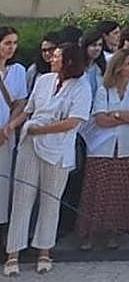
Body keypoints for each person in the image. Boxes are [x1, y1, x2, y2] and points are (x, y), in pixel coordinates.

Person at [3, 43, 91, 276]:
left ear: (69, 61)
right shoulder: (43, 80)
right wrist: (11, 126)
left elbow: (74, 121)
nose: (52, 57)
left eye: (58, 55)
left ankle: (44, 251)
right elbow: (28, 110)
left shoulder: (82, 86)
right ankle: (14, 253)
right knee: (22, 198)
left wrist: (41, 130)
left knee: (50, 201)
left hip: (58, 149)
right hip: (30, 145)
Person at [75, 48, 129, 250]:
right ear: (119, 67)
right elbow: (101, 119)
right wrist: (125, 116)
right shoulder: (104, 89)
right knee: (98, 191)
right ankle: (89, 233)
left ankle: (113, 233)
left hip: (127, 148)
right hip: (103, 148)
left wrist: (116, 114)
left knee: (120, 192)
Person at [0, 28, 27, 235]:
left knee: (3, 183)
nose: (11, 48)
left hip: (6, 135)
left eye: (14, 43)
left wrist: (9, 126)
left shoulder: (18, 70)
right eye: (7, 43)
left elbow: (20, 103)